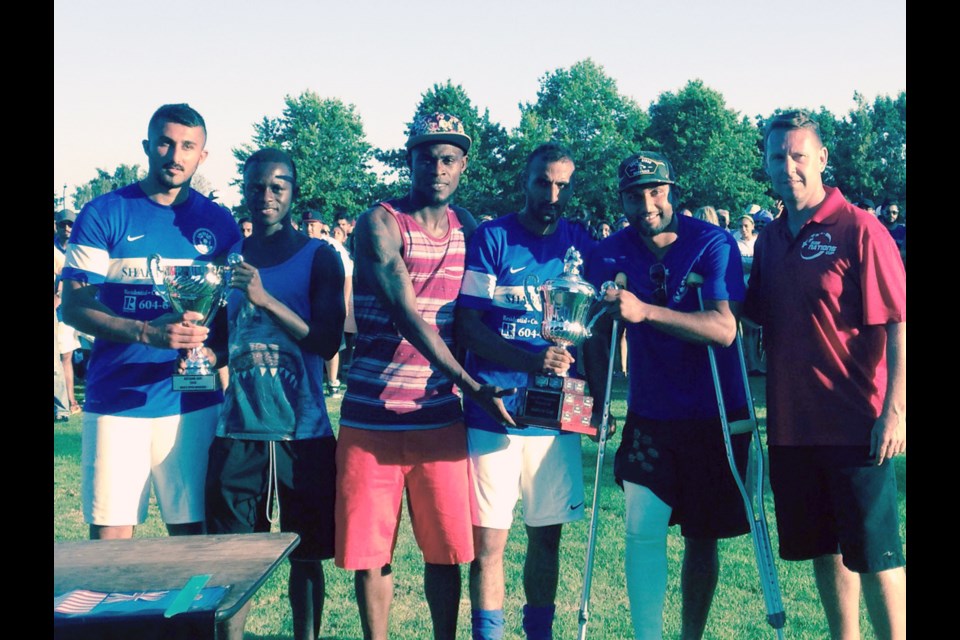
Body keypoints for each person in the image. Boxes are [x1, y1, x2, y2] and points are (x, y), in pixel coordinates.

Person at [334, 112, 513, 640]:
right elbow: (406, 312)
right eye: (426, 156)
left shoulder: (472, 229)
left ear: (463, 166)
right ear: (408, 160)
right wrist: (471, 383)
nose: (437, 166)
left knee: (447, 554)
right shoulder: (380, 222)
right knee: (371, 558)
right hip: (372, 417)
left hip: (438, 418)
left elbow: (483, 316)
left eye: (449, 157)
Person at [743, 110, 906, 639]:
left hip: (857, 425)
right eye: (776, 156)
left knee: (876, 556)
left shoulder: (860, 227)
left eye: (797, 155)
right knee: (824, 550)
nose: (786, 166)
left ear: (821, 160)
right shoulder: (767, 241)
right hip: (793, 428)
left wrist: (895, 412)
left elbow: (900, 324)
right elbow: (750, 318)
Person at [583, 151, 751, 640]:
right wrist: (599, 399)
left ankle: (690, 636)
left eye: (656, 191)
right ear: (623, 200)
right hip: (650, 414)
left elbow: (724, 328)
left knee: (702, 536)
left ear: (673, 192)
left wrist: (645, 313)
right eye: (635, 195)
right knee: (642, 530)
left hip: (714, 414)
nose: (647, 203)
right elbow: (595, 333)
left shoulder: (712, 243)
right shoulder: (608, 253)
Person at [60, 103, 241, 540]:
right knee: (111, 540)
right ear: (147, 145)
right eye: (165, 142)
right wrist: (146, 333)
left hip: (192, 400)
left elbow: (232, 319)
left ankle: (188, 613)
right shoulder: (104, 213)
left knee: (193, 535)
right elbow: (73, 307)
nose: (174, 155)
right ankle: (116, 611)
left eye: (187, 146)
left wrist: (211, 353)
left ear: (203, 156)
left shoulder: (219, 223)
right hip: (116, 396)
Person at [456, 143, 596, 640]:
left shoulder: (580, 244)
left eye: (562, 184)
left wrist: (596, 400)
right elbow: (469, 327)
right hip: (494, 408)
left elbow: (595, 331)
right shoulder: (493, 237)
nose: (552, 193)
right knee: (489, 544)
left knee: (547, 539)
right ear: (526, 180)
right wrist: (532, 360)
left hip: (554, 417)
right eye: (543, 181)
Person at [205, 149, 344, 640]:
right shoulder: (228, 261)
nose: (265, 196)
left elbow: (327, 341)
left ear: (293, 193)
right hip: (238, 427)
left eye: (277, 187)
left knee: (305, 556)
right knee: (229, 560)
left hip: (301, 430)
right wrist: (196, 351)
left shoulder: (319, 256)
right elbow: (223, 340)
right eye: (256, 187)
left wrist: (265, 298)